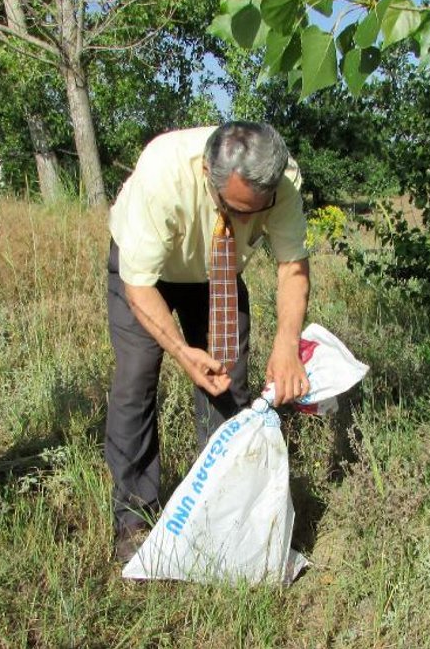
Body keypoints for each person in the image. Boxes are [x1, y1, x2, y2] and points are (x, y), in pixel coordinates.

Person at [106, 122, 310, 562]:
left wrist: (287, 344)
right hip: (147, 274)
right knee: (137, 380)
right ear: (206, 175)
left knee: (227, 381)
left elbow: (292, 265)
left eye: (258, 209)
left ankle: (220, 510)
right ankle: (134, 520)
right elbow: (138, 286)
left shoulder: (281, 180)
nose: (247, 220)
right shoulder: (162, 174)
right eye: (236, 209)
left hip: (217, 274)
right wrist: (182, 353)